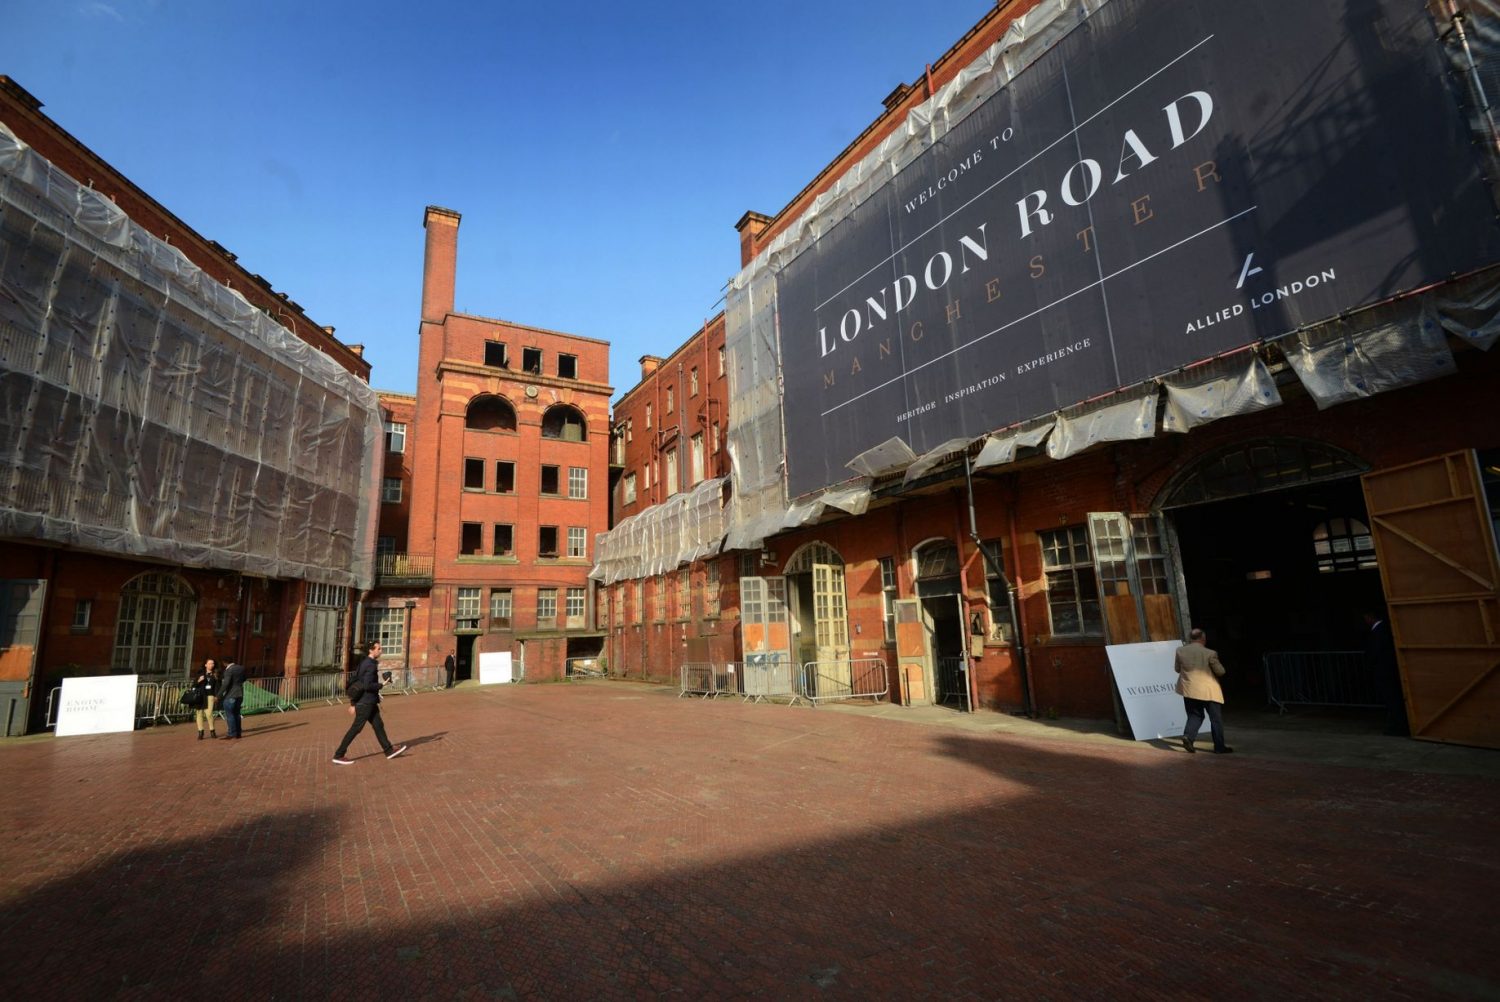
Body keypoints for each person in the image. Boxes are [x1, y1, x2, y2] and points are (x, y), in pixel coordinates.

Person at [332, 642, 407, 765]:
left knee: (378, 725)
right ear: (371, 651)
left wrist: (353, 703)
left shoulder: (364, 663)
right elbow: (367, 685)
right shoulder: (370, 665)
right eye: (378, 649)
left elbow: (356, 681)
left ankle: (388, 750)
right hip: (366, 703)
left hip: (368, 702)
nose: (381, 651)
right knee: (356, 729)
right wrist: (381, 684)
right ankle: (339, 754)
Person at [1175, 628, 1232, 754]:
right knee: (1215, 719)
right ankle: (1219, 747)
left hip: (1189, 689)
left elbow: (1177, 669)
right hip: (1208, 691)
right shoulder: (1210, 653)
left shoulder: (1180, 651)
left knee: (1195, 715)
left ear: (1191, 638)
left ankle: (1188, 736)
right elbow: (1220, 671)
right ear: (1203, 639)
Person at [1362, 610, 1409, 736]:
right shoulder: (1386, 629)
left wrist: (1370, 664)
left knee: (1391, 698)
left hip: (1384, 670)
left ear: (1370, 617)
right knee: (1392, 697)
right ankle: (1398, 724)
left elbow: (1376, 651)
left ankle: (1399, 726)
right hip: (1387, 669)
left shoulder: (1379, 631)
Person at [191, 658, 220, 740]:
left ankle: (212, 730)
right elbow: (194, 685)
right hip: (200, 696)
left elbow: (217, 686)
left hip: (210, 695)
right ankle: (200, 731)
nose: (212, 665)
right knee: (199, 713)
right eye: (210, 663)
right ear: (205, 665)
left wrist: (216, 696)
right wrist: (199, 681)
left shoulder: (215, 674)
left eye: (213, 663)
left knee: (209, 713)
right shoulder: (200, 674)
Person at [219, 661, 247, 740]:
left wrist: (218, 695)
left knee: (230, 714)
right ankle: (238, 733)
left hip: (231, 694)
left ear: (224, 663)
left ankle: (232, 733)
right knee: (237, 714)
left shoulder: (229, 670)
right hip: (240, 693)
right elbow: (245, 678)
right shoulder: (241, 668)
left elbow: (226, 683)